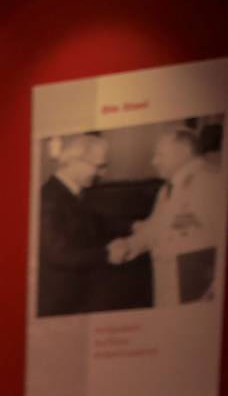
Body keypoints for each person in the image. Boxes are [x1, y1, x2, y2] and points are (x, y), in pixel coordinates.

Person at [110, 125, 224, 308]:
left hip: (198, 295)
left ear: (184, 150)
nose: (154, 161)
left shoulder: (211, 182)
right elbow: (156, 228)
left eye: (160, 154)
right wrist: (130, 244)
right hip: (168, 288)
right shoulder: (166, 190)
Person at [38, 131, 116, 317]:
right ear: (75, 162)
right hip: (62, 302)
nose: (102, 174)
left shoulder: (75, 192)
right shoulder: (49, 198)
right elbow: (58, 255)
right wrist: (107, 254)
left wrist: (134, 227)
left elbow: (98, 224)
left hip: (79, 292)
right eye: (99, 166)